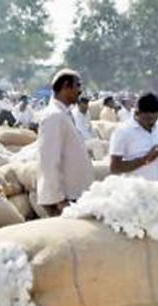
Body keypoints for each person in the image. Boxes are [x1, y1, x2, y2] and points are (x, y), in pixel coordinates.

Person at [37, 69, 93, 216]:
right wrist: (59, 199)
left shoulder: (64, 114)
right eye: (78, 86)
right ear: (66, 86)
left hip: (72, 195)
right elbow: (49, 161)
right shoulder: (53, 116)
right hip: (63, 200)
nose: (80, 91)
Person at [109, 92, 158, 183]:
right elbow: (114, 168)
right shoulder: (123, 132)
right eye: (146, 115)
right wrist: (146, 159)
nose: (151, 117)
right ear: (137, 112)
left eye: (154, 114)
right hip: (136, 192)